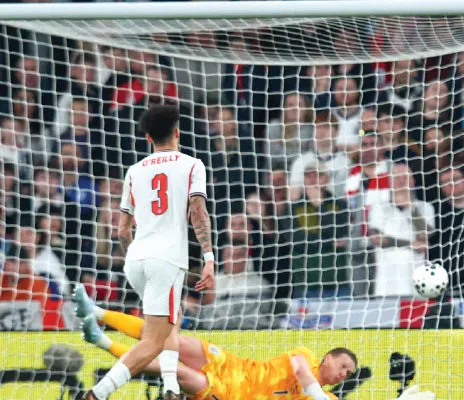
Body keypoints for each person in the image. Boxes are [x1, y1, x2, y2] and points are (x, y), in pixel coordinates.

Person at [73, 287, 436, 400]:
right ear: (328, 358)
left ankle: (101, 340)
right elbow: (300, 372)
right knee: (172, 339)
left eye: (349, 374)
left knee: (174, 370)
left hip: (230, 395)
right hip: (233, 364)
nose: (344, 375)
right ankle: (98, 313)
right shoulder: (305, 358)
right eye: (343, 367)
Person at [82, 105, 216, 400]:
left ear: (148, 138)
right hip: (166, 260)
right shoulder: (192, 165)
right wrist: (209, 258)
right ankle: (98, 393)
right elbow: (198, 211)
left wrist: (135, 256)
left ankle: (170, 388)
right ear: (177, 132)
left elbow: (121, 230)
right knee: (153, 341)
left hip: (136, 259)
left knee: (171, 320)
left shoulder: (134, 171)